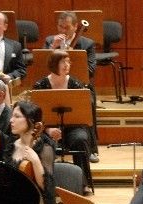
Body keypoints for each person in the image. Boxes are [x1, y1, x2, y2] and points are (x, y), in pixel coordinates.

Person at [33, 50, 94, 195]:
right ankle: (45, 183)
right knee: (42, 143)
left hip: (73, 127)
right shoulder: (40, 85)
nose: (67, 65)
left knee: (80, 139)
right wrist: (48, 130)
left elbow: (82, 112)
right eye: (63, 62)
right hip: (47, 128)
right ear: (54, 64)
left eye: (68, 62)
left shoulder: (75, 84)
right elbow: (34, 115)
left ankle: (83, 183)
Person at [44, 11, 99, 163]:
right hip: (54, 84)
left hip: (78, 86)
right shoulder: (50, 41)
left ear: (75, 27)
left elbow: (90, 70)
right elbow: (42, 66)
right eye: (60, 27)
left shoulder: (87, 44)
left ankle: (90, 149)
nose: (63, 30)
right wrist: (52, 48)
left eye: (66, 27)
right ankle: (50, 142)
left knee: (88, 101)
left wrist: (73, 58)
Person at [5, 101, 58, 204]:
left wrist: (35, 161)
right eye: (12, 116)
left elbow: (47, 188)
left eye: (17, 116)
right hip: (13, 200)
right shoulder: (11, 144)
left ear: (31, 121)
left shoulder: (45, 147)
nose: (11, 120)